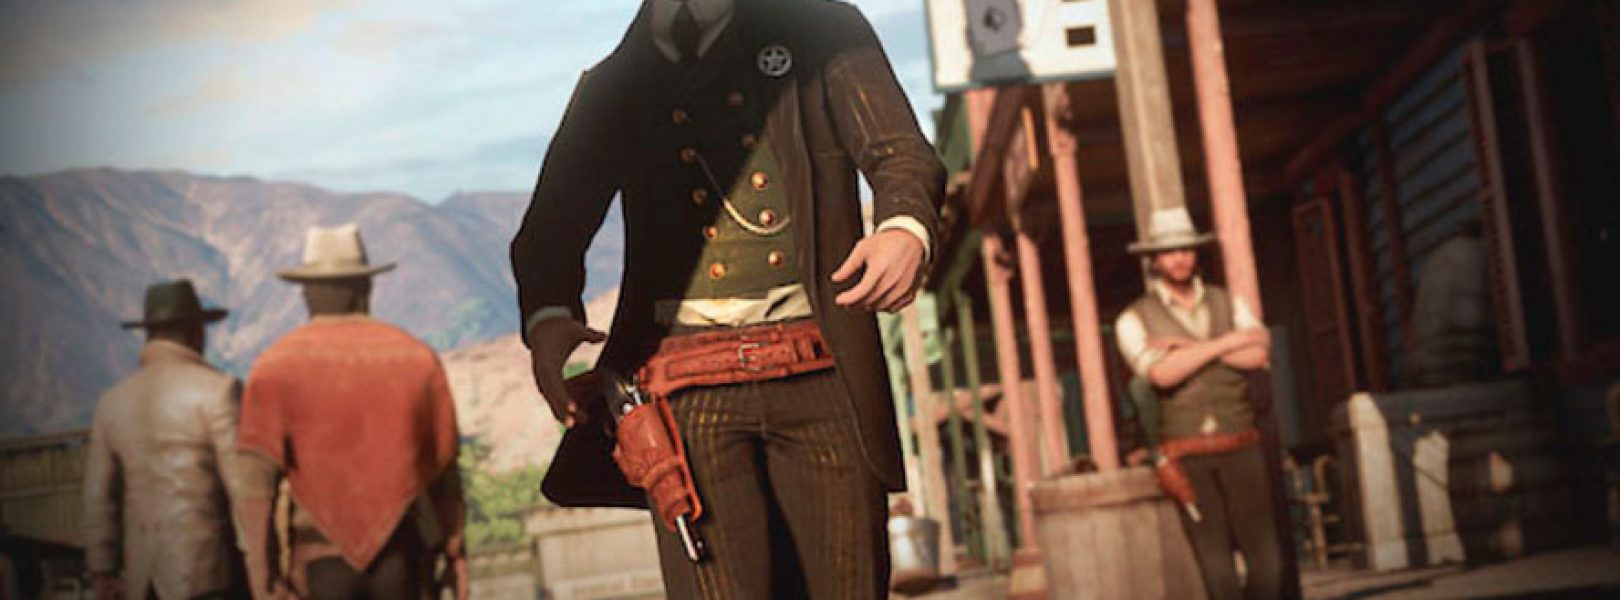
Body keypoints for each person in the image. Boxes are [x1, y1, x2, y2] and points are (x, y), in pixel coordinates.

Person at [509, 0, 944, 596]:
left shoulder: (824, 34)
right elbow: (552, 224)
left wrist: (904, 226)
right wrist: (549, 315)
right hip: (684, 392)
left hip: (821, 370)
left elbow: (900, 152)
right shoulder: (615, 85)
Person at [234, 225, 466, 600]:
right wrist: (456, 552)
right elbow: (444, 468)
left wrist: (261, 573)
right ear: (366, 288)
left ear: (306, 293)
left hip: (317, 562)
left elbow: (255, 481)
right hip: (403, 557)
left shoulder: (275, 366)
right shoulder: (415, 357)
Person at [1113, 208, 1282, 600]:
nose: (1179, 258)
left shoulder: (1227, 301)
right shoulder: (1134, 318)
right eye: (1169, 251)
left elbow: (1258, 352)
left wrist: (1189, 347)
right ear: (1153, 260)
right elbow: (1163, 374)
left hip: (1242, 444)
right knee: (1216, 568)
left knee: (1269, 563)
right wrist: (1228, 344)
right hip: (1186, 455)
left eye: (1186, 249)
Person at [83, 279, 245, 600]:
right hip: (209, 572)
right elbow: (243, 488)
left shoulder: (111, 402)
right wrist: (261, 563)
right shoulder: (219, 390)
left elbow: (98, 497)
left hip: (143, 580)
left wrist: (102, 569)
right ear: (197, 332)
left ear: (148, 334)